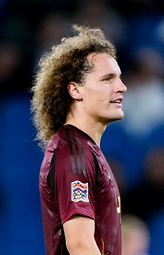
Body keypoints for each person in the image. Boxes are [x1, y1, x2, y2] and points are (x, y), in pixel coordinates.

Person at [31, 25, 127, 255]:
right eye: (107, 79)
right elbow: (80, 245)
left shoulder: (83, 150)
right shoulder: (73, 153)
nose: (122, 87)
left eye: (119, 78)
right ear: (75, 90)